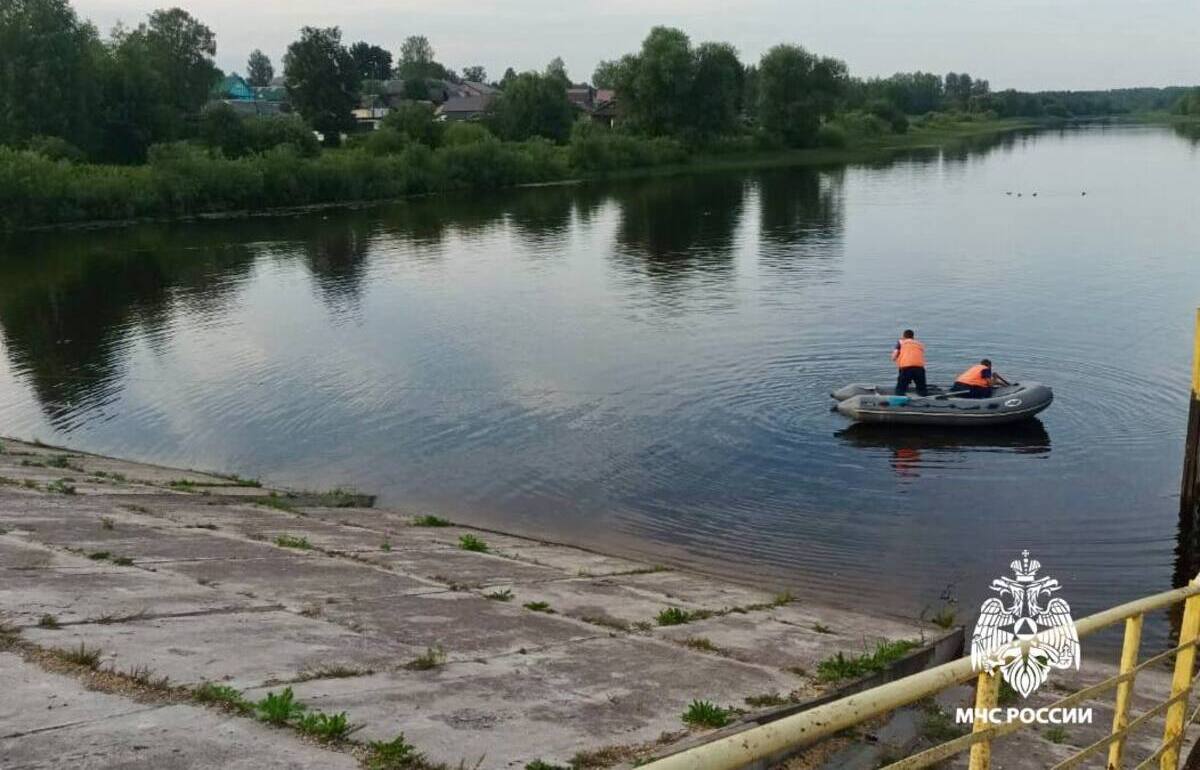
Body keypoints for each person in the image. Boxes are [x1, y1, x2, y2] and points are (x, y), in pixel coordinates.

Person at [891, 329, 927, 396]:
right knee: (922, 388)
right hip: (920, 368)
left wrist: (896, 358)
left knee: (900, 388)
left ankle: (899, 400)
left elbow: (894, 357)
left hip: (906, 368)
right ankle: (924, 399)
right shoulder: (919, 344)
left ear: (903, 336)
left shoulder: (901, 342)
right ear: (913, 337)